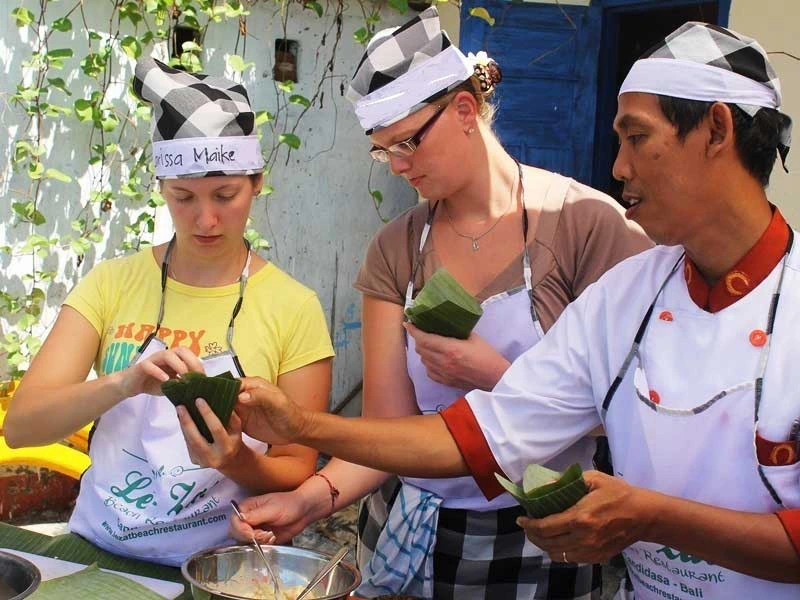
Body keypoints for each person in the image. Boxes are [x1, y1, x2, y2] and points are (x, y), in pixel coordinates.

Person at [228, 22, 800, 599]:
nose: (619, 167)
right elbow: (479, 435)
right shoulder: (625, 297)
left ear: (717, 129)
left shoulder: (589, 227)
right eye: (385, 150)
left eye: (636, 138)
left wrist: (651, 517)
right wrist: (304, 434)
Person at [4, 57, 334, 567]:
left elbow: (297, 466)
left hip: (220, 565)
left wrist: (237, 458)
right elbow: (22, 427)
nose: (206, 218)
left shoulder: (293, 307)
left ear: (257, 183)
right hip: (99, 551)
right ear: (160, 187)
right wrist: (125, 383)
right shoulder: (112, 282)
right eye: (183, 197)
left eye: (226, 195)